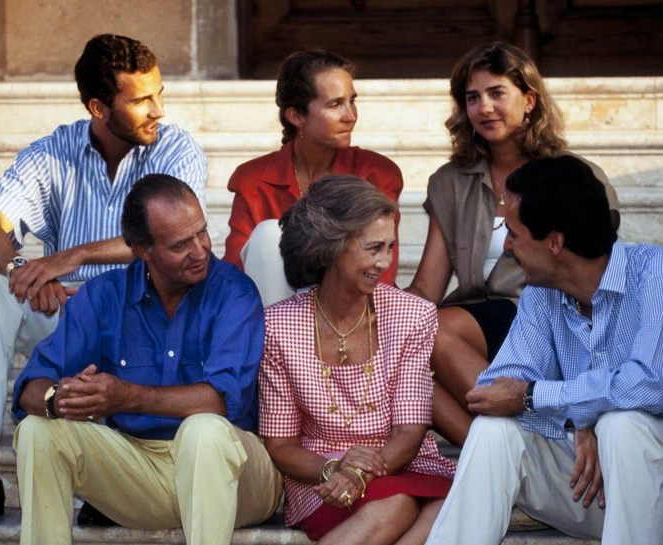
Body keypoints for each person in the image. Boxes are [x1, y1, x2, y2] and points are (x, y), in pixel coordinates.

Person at [0, 34, 208, 525]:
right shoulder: (53, 152)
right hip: (68, 312)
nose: (159, 110)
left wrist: (71, 256)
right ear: (99, 107)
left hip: (141, 313)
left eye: (159, 93)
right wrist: (22, 270)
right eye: (141, 100)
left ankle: (118, 483)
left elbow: (174, 237)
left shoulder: (175, 149)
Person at [11, 174, 282, 545]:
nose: (200, 250)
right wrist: (58, 399)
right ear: (141, 250)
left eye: (202, 232)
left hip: (235, 471)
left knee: (203, 431)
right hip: (142, 469)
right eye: (181, 244)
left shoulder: (233, 291)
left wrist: (126, 396)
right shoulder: (105, 295)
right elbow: (31, 384)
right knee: (37, 430)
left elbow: (220, 400)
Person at [425, 155, 663, 545]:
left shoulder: (654, 274)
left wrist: (550, 399)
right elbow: (496, 390)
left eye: (514, 234)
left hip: (653, 487)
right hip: (591, 488)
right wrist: (580, 418)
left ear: (554, 242)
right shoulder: (541, 294)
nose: (507, 247)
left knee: (623, 425)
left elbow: (649, 384)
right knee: (495, 429)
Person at [404, 41, 620, 447]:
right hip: (474, 320)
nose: (484, 108)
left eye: (497, 93)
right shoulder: (449, 182)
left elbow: (599, 271)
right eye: (472, 97)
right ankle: (502, 454)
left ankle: (527, 445)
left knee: (431, 330)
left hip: (544, 316)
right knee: (406, 363)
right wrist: (370, 314)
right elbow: (426, 289)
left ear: (529, 100)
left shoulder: (571, 177)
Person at [259, 175, 456, 545]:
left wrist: (360, 474)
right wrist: (336, 470)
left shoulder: (412, 315)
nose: (385, 262)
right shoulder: (278, 326)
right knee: (397, 505)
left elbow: (410, 431)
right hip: (322, 476)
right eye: (373, 248)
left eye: (391, 247)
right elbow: (281, 446)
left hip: (404, 461)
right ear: (331, 247)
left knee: (450, 509)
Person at [223, 49, 403, 306]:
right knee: (268, 235)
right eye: (335, 105)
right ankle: (280, 334)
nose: (350, 116)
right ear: (296, 116)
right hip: (277, 310)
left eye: (352, 101)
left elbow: (381, 266)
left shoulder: (375, 174)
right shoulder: (254, 179)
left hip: (356, 309)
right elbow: (235, 274)